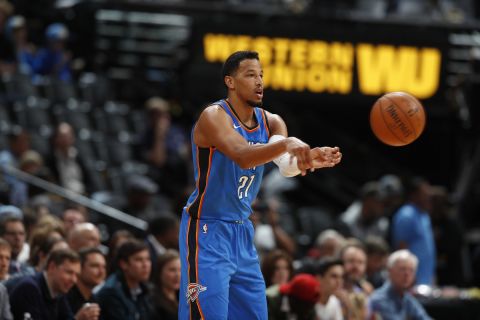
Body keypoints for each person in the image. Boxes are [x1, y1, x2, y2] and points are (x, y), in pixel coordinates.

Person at [178, 50, 342, 319]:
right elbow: (243, 156)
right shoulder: (214, 116)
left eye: (261, 75)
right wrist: (289, 144)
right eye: (250, 75)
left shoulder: (272, 121)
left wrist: (310, 159)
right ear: (230, 81)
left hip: (242, 231)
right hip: (207, 229)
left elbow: (286, 165)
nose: (259, 82)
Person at [9, 248, 100, 320]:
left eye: (76, 275)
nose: (74, 280)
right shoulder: (29, 289)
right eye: (69, 272)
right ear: (52, 267)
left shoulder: (59, 290)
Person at [391, 177, 436, 285]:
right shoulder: (406, 215)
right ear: (414, 195)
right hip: (411, 279)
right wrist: (407, 276)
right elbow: (402, 249)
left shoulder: (425, 216)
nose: (428, 196)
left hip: (427, 278)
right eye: (424, 193)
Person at [95, 239, 153, 320]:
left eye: (148, 259)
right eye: (139, 260)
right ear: (123, 264)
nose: (145, 265)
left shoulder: (143, 288)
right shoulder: (111, 292)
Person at [369, 249, 432, 320]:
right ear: (390, 271)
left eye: (411, 270)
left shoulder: (407, 298)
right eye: (402, 269)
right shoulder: (378, 300)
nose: (407, 274)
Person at [67, 247, 106, 314]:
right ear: (79, 268)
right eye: (95, 266)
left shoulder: (95, 300)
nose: (101, 272)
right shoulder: (66, 298)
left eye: (104, 267)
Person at [151, 249, 181, 320]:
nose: (178, 275)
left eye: (180, 270)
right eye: (172, 270)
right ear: (160, 272)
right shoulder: (152, 301)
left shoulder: (184, 297)